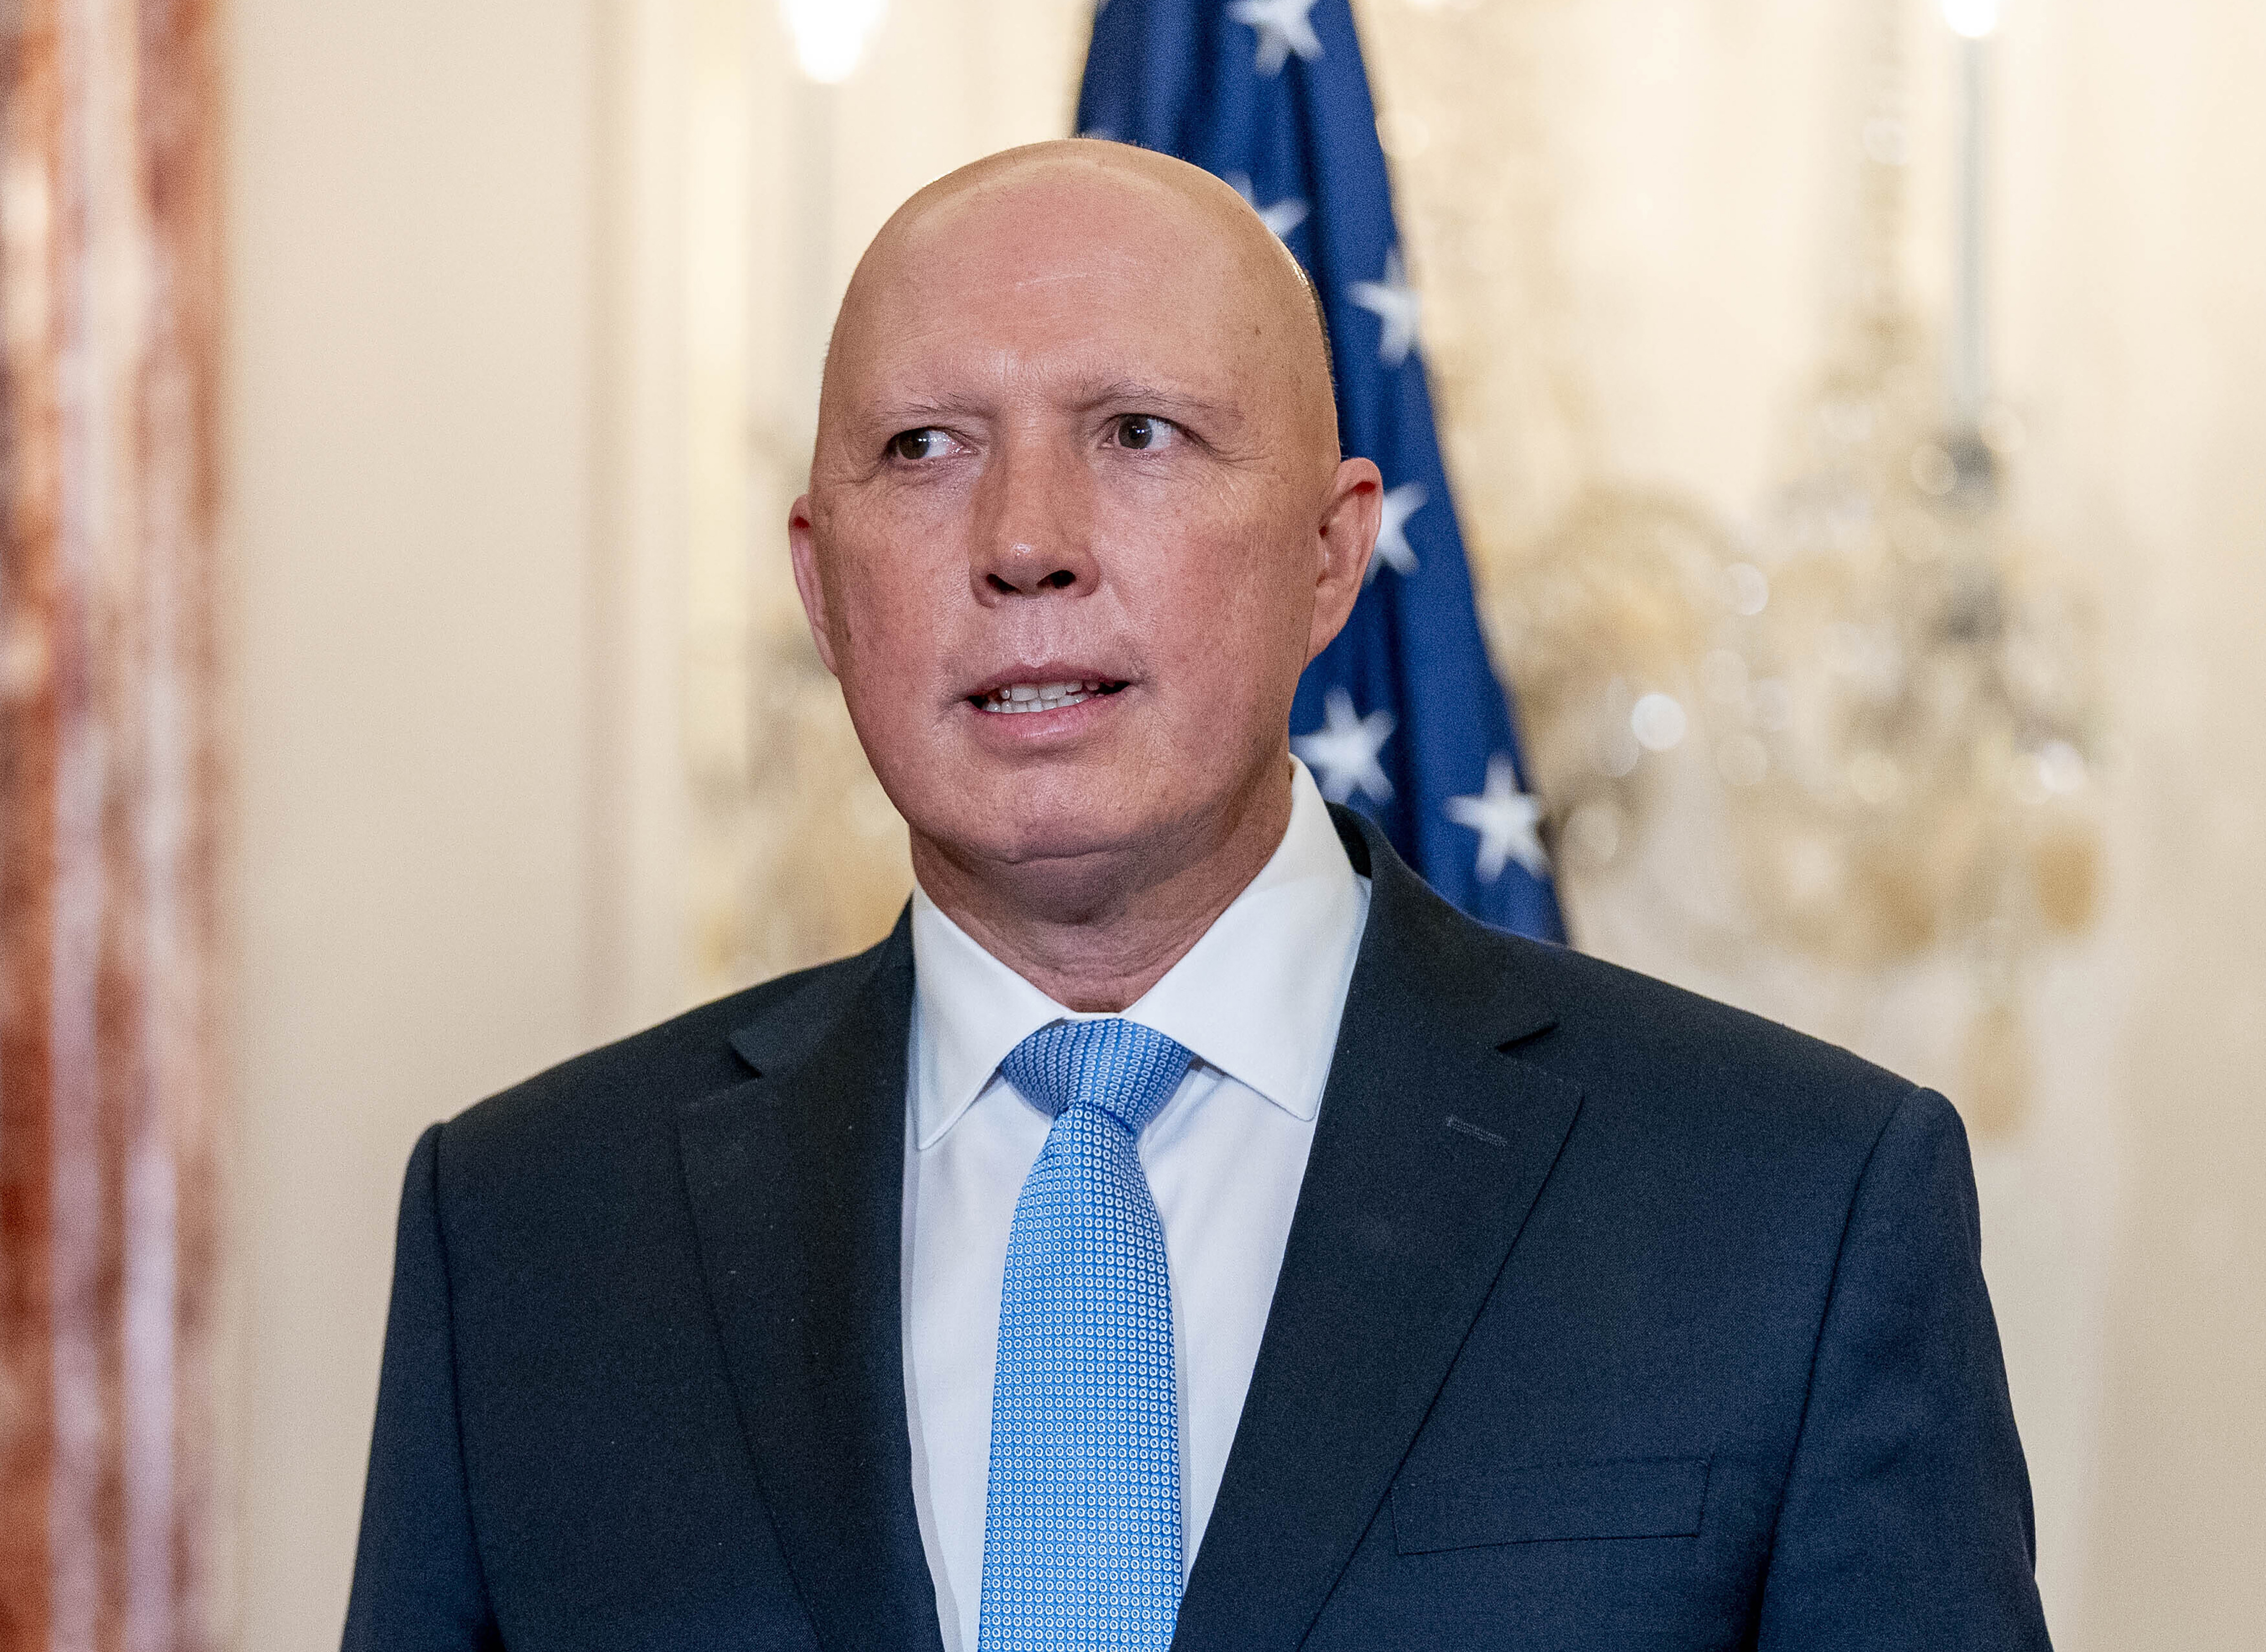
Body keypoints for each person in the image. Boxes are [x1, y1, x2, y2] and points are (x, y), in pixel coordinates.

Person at [341, 140, 2050, 1652]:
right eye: (924, 447)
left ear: (1331, 553)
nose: (1025, 539)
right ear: (820, 581)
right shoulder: (528, 1236)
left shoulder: (1790, 1206)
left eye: (1138, 433)